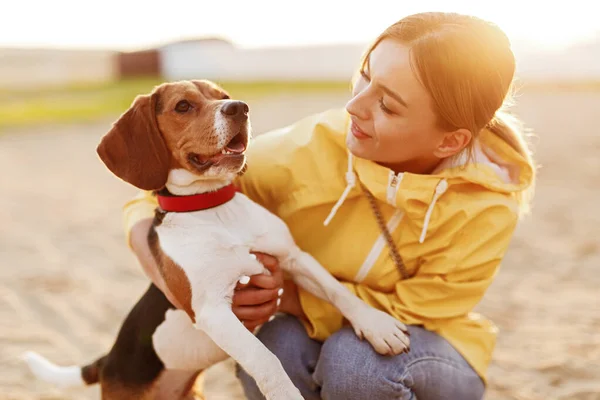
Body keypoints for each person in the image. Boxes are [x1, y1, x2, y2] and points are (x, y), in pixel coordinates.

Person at [124, 11, 536, 400]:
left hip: (436, 348)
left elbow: (417, 310)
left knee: (355, 364)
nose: (354, 106)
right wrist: (173, 283)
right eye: (365, 76)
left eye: (387, 105)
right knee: (274, 346)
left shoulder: (488, 203)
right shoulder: (306, 150)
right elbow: (158, 191)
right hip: (319, 328)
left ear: (449, 141)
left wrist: (284, 297)